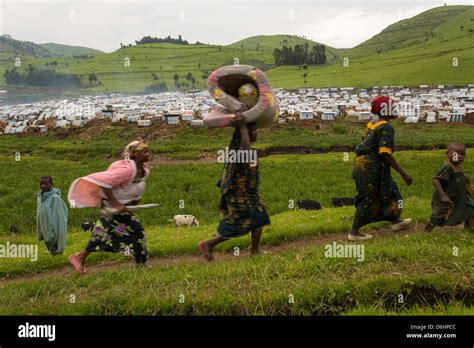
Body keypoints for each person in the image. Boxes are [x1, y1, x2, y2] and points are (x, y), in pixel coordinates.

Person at [67, 140, 151, 273]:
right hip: (111, 208)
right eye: (144, 152)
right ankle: (141, 264)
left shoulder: (143, 170)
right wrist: (116, 204)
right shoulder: (127, 169)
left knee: (103, 234)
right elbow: (104, 183)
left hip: (120, 208)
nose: (148, 154)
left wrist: (133, 202)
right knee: (137, 232)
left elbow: (133, 187)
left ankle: (79, 257)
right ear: (135, 155)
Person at [198, 114, 270, 260]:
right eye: (253, 131)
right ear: (245, 134)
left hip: (250, 194)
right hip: (239, 194)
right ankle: (208, 244)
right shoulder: (241, 151)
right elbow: (246, 152)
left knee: (260, 217)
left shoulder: (245, 149)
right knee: (237, 222)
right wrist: (242, 126)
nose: (256, 133)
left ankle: (255, 250)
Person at [349, 96, 413, 241]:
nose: (395, 108)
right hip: (371, 169)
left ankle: (395, 221)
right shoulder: (386, 127)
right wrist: (403, 173)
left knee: (390, 190)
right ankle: (354, 232)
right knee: (369, 196)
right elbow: (384, 153)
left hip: (364, 165)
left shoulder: (373, 123)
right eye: (393, 106)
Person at [425, 142, 474, 232]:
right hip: (445, 198)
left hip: (458, 197)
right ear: (447, 154)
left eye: (462, 154)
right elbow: (436, 180)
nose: (459, 156)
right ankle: (427, 230)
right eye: (455, 154)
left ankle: (469, 229)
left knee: (470, 210)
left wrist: (466, 180)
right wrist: (443, 195)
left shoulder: (459, 167)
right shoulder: (448, 167)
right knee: (439, 215)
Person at [36, 175, 68, 255]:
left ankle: (59, 257)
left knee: (56, 252)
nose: (43, 186)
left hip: (53, 232)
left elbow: (60, 219)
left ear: (51, 184)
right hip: (45, 230)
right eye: (41, 184)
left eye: (46, 184)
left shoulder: (55, 198)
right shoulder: (40, 198)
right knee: (51, 251)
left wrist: (57, 234)